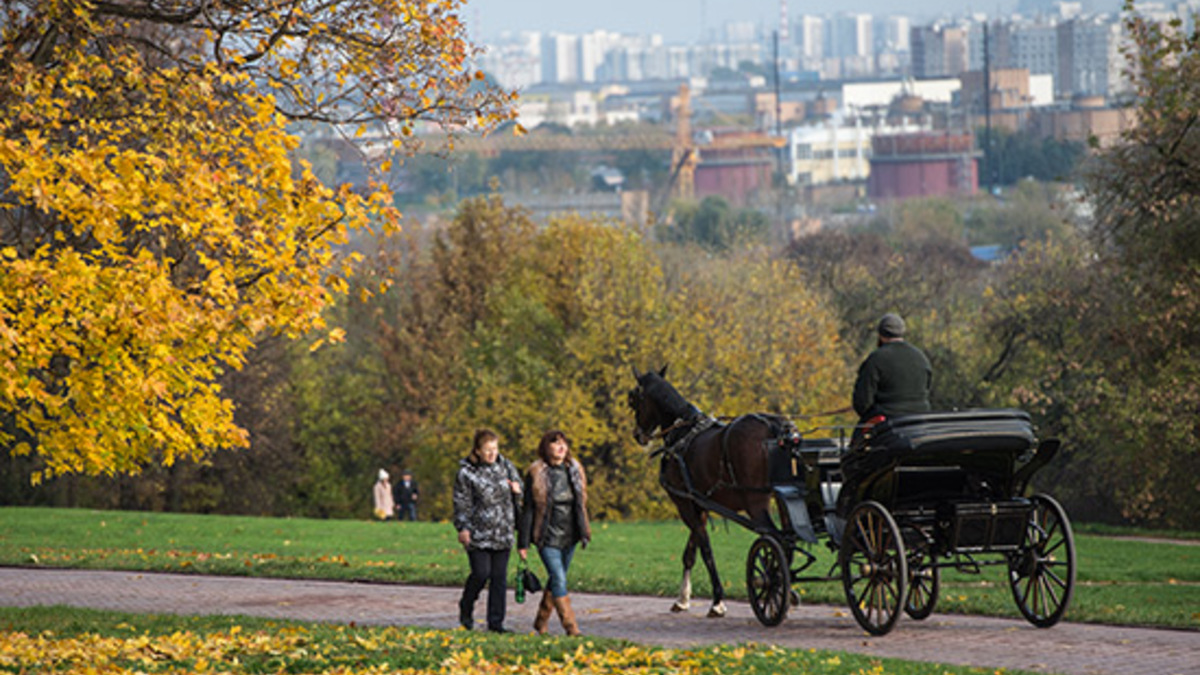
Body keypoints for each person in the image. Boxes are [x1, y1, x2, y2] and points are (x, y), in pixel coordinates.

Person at [518, 429, 591, 636]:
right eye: (555, 443)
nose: (561, 447)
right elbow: (528, 510)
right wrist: (523, 543)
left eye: (563, 443)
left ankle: (540, 622)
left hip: (570, 536)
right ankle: (571, 628)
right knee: (559, 578)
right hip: (546, 537)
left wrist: (584, 530)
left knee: (555, 579)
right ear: (545, 447)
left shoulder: (575, 470)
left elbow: (581, 505)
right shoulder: (536, 472)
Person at [453, 428, 522, 633]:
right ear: (477, 451)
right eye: (487, 450)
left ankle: (496, 623)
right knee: (481, 573)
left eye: (495, 449)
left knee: (499, 578)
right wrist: (463, 527)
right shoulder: (466, 473)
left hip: (503, 531)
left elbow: (520, 492)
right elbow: (461, 503)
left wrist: (517, 491)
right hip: (478, 533)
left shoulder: (506, 466)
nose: (493, 454)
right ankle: (466, 605)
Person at [852, 312, 932, 425]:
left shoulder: (875, 359)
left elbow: (862, 403)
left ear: (880, 335)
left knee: (857, 440)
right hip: (920, 422)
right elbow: (927, 389)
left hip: (886, 424)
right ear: (902, 333)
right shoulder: (921, 357)